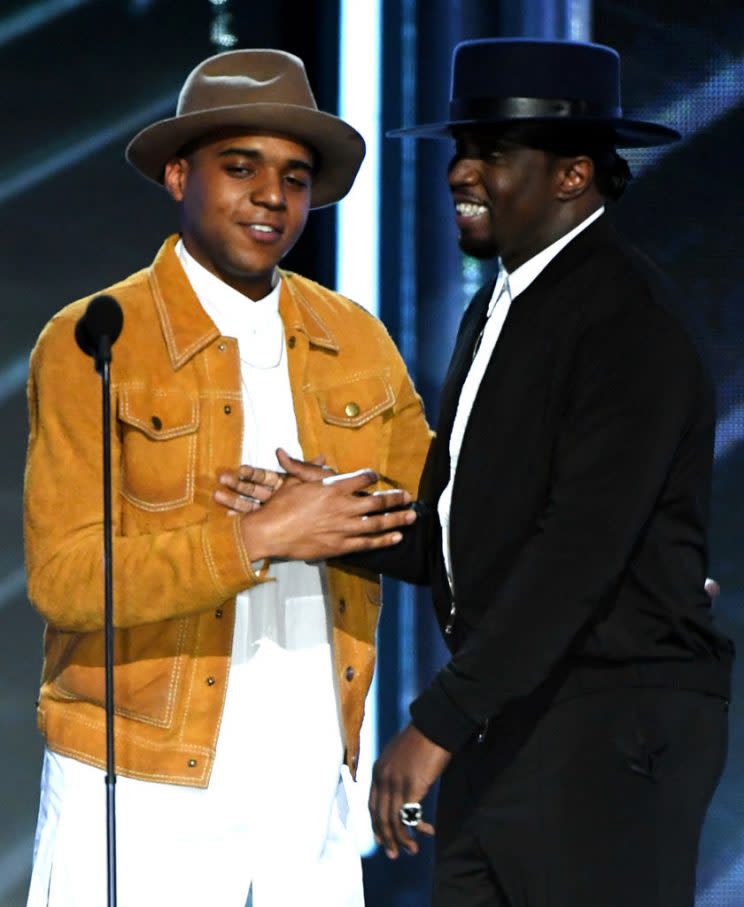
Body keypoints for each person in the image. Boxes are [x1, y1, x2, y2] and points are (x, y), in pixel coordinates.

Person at [242, 38, 734, 906]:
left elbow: (574, 554)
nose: (460, 172)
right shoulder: (499, 307)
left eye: (492, 153)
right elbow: (464, 531)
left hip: (609, 729)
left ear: (576, 175)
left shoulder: (628, 323)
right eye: (459, 148)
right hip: (512, 712)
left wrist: (434, 723)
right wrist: (324, 518)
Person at [23, 49, 431, 907]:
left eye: (294, 175)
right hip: (138, 780)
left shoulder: (355, 338)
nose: (272, 197)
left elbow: (438, 522)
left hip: (311, 777)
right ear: (179, 174)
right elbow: (65, 577)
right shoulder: (95, 337)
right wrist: (260, 536)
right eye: (239, 168)